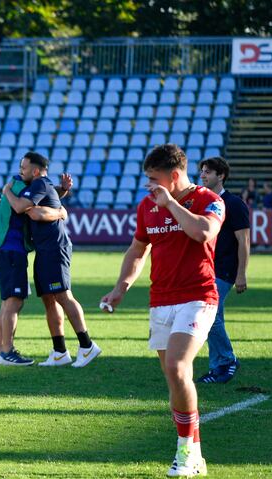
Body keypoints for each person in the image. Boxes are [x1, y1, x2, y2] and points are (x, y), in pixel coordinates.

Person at [101, 144, 225, 477]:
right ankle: (195, 453)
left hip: (198, 297)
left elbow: (203, 232)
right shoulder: (147, 206)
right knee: (173, 378)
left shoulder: (208, 200)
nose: (149, 187)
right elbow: (137, 250)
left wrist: (170, 204)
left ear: (174, 176)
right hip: (161, 300)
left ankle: (185, 453)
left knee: (177, 366)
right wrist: (120, 289)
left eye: (154, 180)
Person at [4, 152, 101, 368]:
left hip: (54, 248)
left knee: (64, 296)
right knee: (49, 298)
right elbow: (44, 200)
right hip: (44, 249)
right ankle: (59, 352)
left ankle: (87, 346)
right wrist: (61, 193)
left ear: (36, 171)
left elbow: (22, 207)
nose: (21, 170)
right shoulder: (40, 185)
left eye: (24, 167)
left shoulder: (39, 183)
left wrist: (7, 191)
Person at [0, 172, 70, 367]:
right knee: (14, 302)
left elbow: (42, 196)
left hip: (5, 250)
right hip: (13, 251)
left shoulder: (16, 187)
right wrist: (61, 212)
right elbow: (30, 204)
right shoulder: (20, 188)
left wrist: (62, 190)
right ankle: (7, 352)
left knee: (7, 303)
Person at [197, 157, 249, 384]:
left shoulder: (234, 204)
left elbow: (244, 241)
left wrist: (241, 274)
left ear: (221, 175)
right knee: (212, 317)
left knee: (209, 317)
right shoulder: (202, 202)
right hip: (206, 269)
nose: (203, 175)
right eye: (202, 171)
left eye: (208, 172)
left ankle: (227, 361)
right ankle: (218, 367)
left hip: (225, 270)